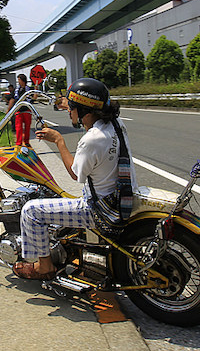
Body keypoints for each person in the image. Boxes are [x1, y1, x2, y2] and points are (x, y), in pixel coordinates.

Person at [12, 78, 137, 280]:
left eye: (72, 107)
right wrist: (71, 105)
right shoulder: (116, 124)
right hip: (122, 196)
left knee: (31, 211)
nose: (68, 111)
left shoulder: (92, 139)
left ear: (85, 110)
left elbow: (76, 173)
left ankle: (43, 267)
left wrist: (59, 140)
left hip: (97, 209)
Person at [12, 74, 33, 146]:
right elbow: (13, 99)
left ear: (23, 80)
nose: (18, 82)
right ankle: (19, 142)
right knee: (18, 128)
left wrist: (36, 89)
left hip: (27, 110)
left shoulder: (29, 89)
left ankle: (26, 142)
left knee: (27, 127)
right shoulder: (16, 90)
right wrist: (10, 109)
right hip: (18, 110)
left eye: (19, 80)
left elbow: (34, 97)